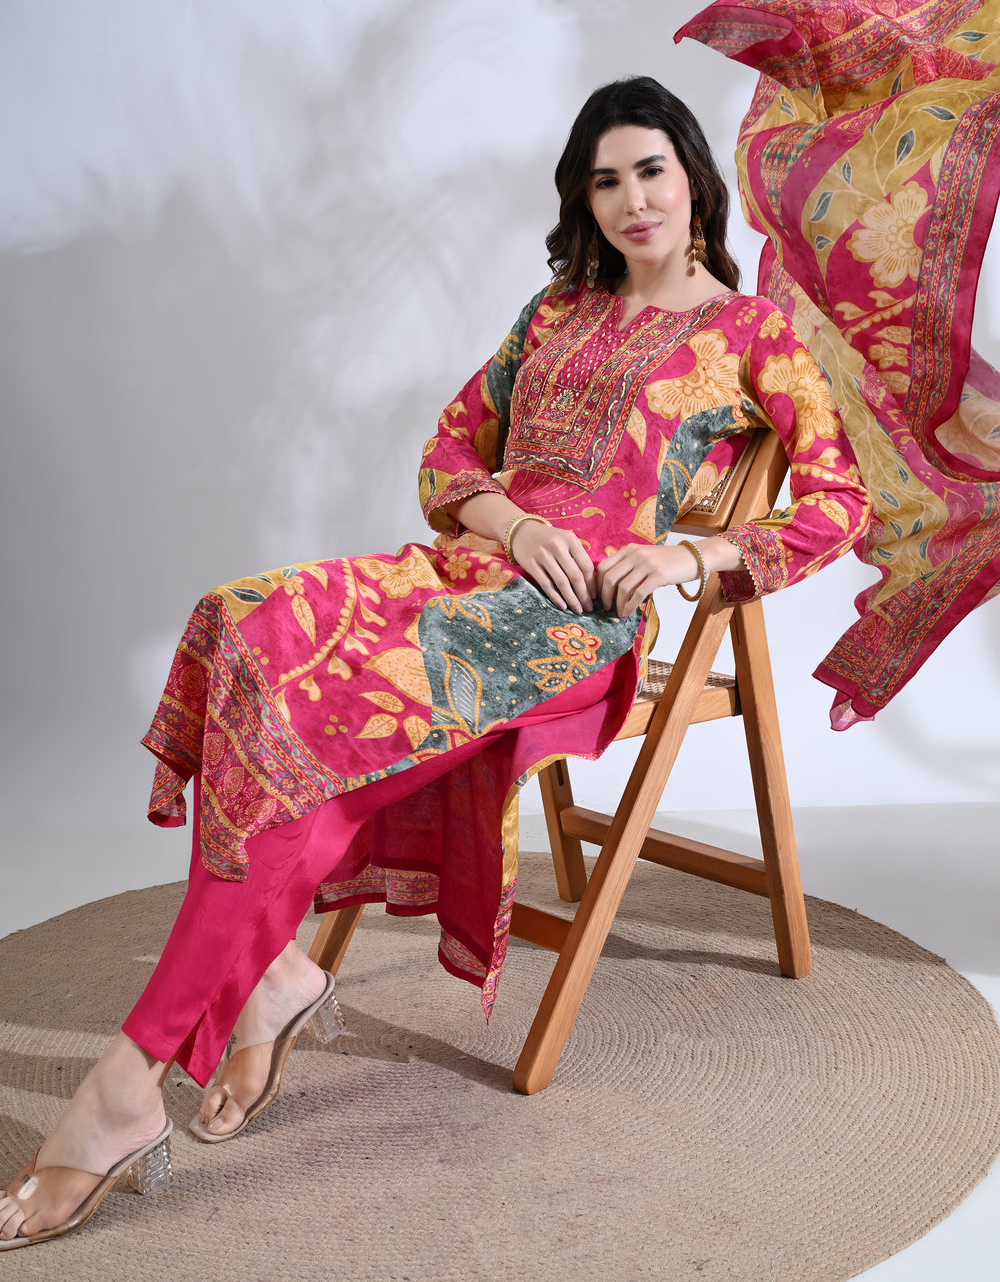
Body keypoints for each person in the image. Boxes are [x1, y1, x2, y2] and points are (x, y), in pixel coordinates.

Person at [0, 76, 870, 1248]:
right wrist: (512, 519)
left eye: (650, 170)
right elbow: (450, 451)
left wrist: (687, 554)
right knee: (243, 622)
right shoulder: (554, 310)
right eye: (605, 180)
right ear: (583, 198)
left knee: (312, 753)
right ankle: (270, 979)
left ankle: (125, 1080)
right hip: (461, 573)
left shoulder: (752, 331)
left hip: (561, 632)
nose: (631, 199)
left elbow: (837, 502)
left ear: (692, 177)